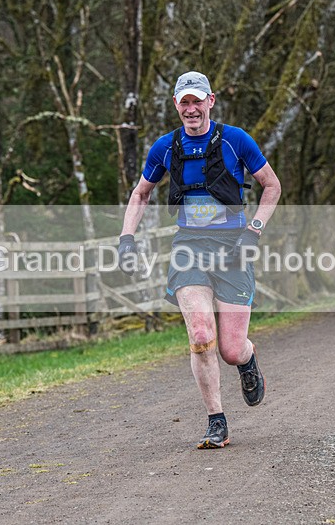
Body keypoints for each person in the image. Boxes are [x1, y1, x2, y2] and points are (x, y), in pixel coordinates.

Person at [117, 71, 281, 449]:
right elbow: (141, 194)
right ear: (176, 105)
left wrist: (253, 229)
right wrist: (126, 238)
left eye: (197, 100)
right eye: (184, 102)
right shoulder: (165, 147)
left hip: (234, 249)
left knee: (230, 348)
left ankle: (247, 359)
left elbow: (271, 185)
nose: (191, 109)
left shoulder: (236, 140)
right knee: (202, 334)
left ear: (211, 101)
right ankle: (216, 420)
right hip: (189, 247)